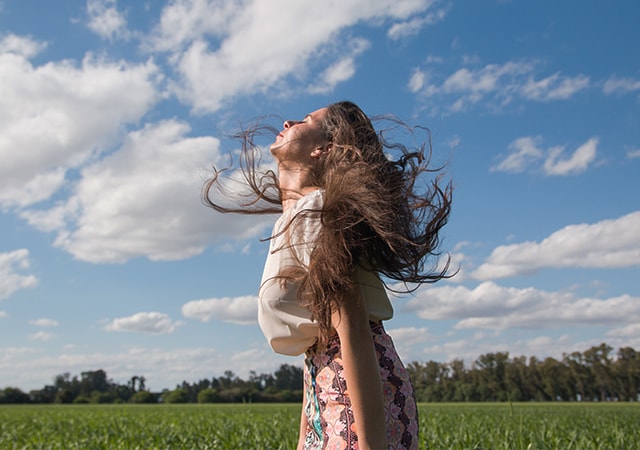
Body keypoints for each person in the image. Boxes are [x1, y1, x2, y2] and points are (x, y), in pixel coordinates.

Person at [204, 101, 452, 449]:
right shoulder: (299, 218)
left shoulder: (317, 212)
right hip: (325, 382)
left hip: (353, 392)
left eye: (306, 121)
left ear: (324, 149)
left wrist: (370, 445)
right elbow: (318, 339)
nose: (288, 120)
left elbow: (351, 329)